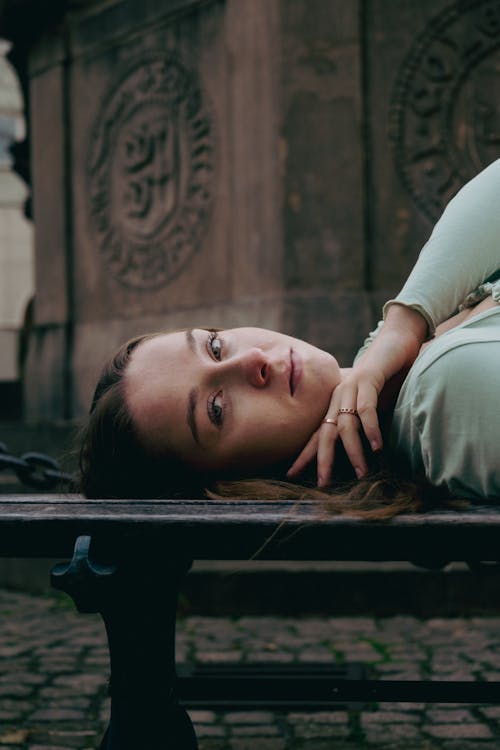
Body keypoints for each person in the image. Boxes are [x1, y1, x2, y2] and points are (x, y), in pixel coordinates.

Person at [79, 159, 500, 515]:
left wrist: (402, 326)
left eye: (215, 345)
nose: (252, 363)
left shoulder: (384, 352)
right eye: (217, 409)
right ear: (237, 483)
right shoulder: (444, 397)